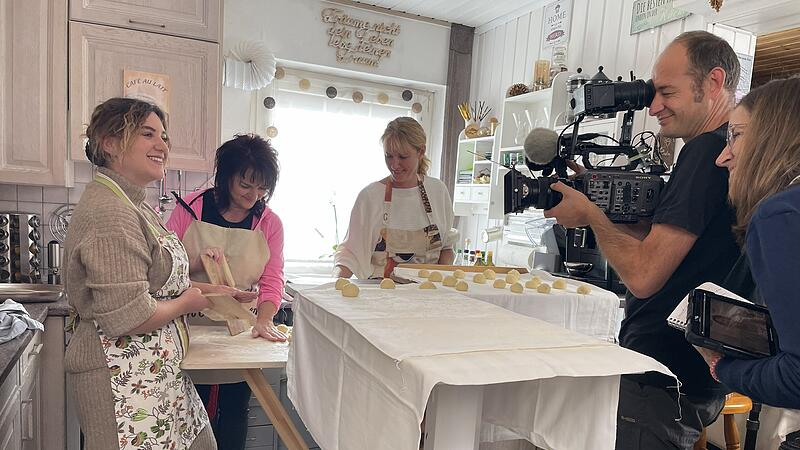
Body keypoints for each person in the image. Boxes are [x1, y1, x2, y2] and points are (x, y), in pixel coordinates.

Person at [543, 31, 741, 449]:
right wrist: (605, 203)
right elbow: (674, 254)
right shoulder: (725, 153)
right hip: (688, 375)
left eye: (667, 92)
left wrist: (590, 216)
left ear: (713, 82)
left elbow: (646, 275)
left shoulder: (706, 153)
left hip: (661, 377)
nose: (653, 107)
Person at [64, 97, 216, 449]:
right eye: (148, 134)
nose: (162, 145)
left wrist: (205, 284)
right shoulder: (111, 212)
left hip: (154, 373)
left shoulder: (134, 204)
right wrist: (188, 302)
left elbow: (152, 278)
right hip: (121, 380)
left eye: (163, 136)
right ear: (111, 143)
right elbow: (128, 317)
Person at [166, 133, 286, 450]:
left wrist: (264, 320)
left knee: (234, 410)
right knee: (188, 412)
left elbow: (273, 278)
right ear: (226, 177)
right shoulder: (190, 208)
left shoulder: (269, 223)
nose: (254, 195)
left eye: (261, 188)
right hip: (187, 327)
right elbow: (164, 270)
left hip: (239, 331)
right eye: (246, 185)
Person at [693, 77, 800, 410]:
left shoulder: (780, 214)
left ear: (775, 137)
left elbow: (797, 378)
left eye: (736, 135)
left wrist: (723, 367)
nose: (722, 157)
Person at [334, 117, 456, 279]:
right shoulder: (370, 197)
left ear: (420, 151)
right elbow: (350, 255)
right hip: (379, 296)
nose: (394, 164)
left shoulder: (437, 191)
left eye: (403, 157)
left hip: (427, 296)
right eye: (389, 156)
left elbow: (446, 248)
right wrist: (335, 286)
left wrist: (441, 284)